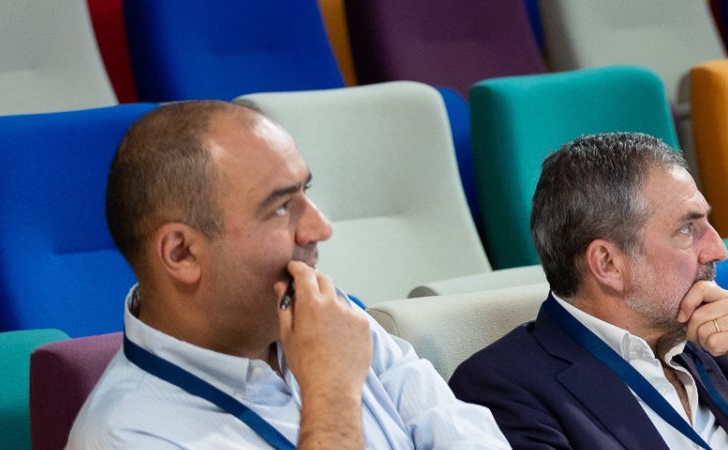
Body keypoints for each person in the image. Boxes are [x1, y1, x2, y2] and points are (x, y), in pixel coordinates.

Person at [67, 101, 508, 448]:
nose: (320, 228)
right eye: (280, 207)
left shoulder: (331, 317)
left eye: (306, 191)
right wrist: (330, 396)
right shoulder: (126, 435)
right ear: (182, 253)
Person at [448, 133, 728, 448]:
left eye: (707, 222)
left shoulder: (715, 344)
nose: (718, 249)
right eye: (687, 229)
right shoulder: (503, 388)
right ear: (608, 264)